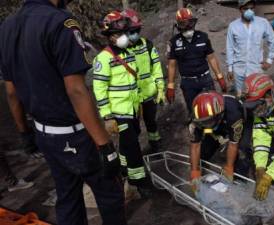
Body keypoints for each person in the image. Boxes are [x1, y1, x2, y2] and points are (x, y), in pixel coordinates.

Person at [0, 1, 127, 224]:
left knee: (68, 197)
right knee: (110, 193)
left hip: (44, 133)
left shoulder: (7, 27)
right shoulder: (61, 22)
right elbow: (76, 90)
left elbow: (11, 92)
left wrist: (25, 134)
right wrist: (105, 146)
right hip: (76, 133)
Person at [92, 11, 152, 197]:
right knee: (133, 147)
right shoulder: (103, 58)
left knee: (127, 145)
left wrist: (139, 104)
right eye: (120, 34)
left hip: (132, 109)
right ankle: (140, 182)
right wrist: (107, 117)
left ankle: (124, 170)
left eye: (125, 33)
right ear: (110, 37)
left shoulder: (129, 53)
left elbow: (134, 83)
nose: (124, 37)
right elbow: (99, 89)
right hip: (118, 112)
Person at [166, 8, 226, 115]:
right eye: (184, 24)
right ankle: (197, 128)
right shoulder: (174, 42)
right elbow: (172, 65)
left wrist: (220, 77)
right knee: (194, 110)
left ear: (194, 22)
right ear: (178, 26)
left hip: (205, 79)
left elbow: (211, 58)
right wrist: (170, 86)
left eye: (190, 23)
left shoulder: (203, 37)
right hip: (188, 83)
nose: (188, 27)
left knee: (212, 106)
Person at [122, 8, 165, 152]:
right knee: (133, 127)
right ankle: (134, 152)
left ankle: (155, 145)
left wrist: (160, 89)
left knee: (151, 122)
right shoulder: (119, 51)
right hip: (131, 97)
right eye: (131, 31)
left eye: (137, 30)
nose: (135, 34)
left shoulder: (147, 45)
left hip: (148, 93)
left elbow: (156, 67)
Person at [189, 91, 247, 192]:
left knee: (242, 152)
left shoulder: (234, 114)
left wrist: (229, 167)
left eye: (208, 121)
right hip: (216, 125)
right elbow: (195, 146)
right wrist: (194, 172)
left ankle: (240, 181)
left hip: (235, 122)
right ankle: (202, 173)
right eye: (203, 122)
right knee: (203, 153)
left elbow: (233, 144)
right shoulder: (197, 119)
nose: (206, 125)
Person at [226, 0, 274, 96]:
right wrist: (230, 68)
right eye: (246, 9)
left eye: (251, 8)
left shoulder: (263, 23)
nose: (249, 11)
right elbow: (230, 47)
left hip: (256, 69)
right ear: (240, 9)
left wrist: (270, 60)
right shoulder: (233, 26)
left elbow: (273, 40)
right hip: (239, 70)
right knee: (241, 97)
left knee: (257, 97)